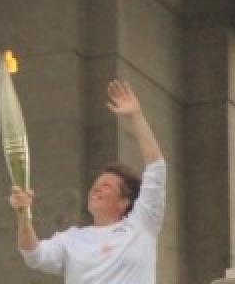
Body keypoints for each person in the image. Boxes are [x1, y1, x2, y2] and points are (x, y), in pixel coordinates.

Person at [9, 79, 165, 284]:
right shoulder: (72, 239)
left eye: (106, 187)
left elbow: (156, 166)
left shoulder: (142, 224)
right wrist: (23, 215)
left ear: (124, 202)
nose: (96, 190)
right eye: (95, 186)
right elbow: (33, 254)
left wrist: (136, 116)